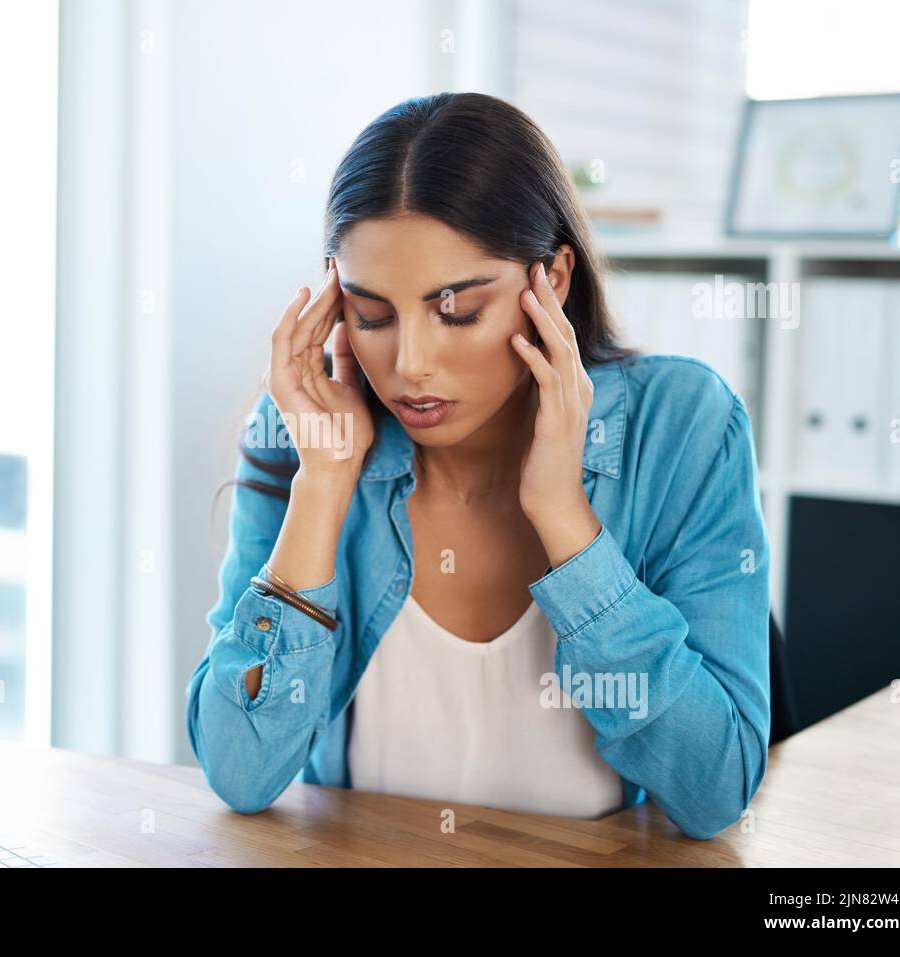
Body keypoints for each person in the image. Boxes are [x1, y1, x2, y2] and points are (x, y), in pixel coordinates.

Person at [185, 92, 771, 840]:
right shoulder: (301, 433)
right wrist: (325, 485)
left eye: (456, 310)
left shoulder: (683, 426)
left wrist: (565, 520)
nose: (410, 365)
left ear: (552, 280)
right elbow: (240, 771)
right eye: (371, 314)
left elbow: (715, 789)